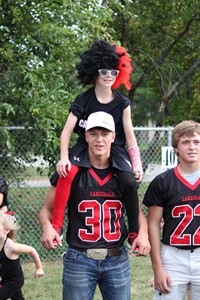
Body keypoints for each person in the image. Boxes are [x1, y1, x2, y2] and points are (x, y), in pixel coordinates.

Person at [39, 112, 150, 300]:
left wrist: (143, 235)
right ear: (86, 136)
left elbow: (137, 212)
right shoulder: (70, 172)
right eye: (94, 134)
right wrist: (48, 228)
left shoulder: (123, 174)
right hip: (79, 258)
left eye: (105, 134)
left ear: (113, 137)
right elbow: (46, 210)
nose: (99, 140)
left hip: (117, 257)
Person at [53, 39, 144, 242]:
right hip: (85, 145)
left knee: (129, 181)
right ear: (94, 72)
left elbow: (130, 137)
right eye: (104, 72)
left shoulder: (122, 103)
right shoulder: (83, 100)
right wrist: (63, 158)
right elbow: (66, 131)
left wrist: (137, 165)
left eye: (114, 72)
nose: (109, 76)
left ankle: (134, 231)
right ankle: (56, 226)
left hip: (115, 147)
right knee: (66, 175)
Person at [143, 120, 200, 300]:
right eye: (185, 142)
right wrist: (157, 268)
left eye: (196, 142)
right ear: (176, 147)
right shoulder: (162, 181)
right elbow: (152, 224)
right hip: (173, 257)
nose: (192, 147)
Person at [0, 211, 44, 300]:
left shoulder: (11, 246)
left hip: (15, 281)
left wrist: (39, 268)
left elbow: (31, 250)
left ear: (7, 230)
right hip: (6, 279)